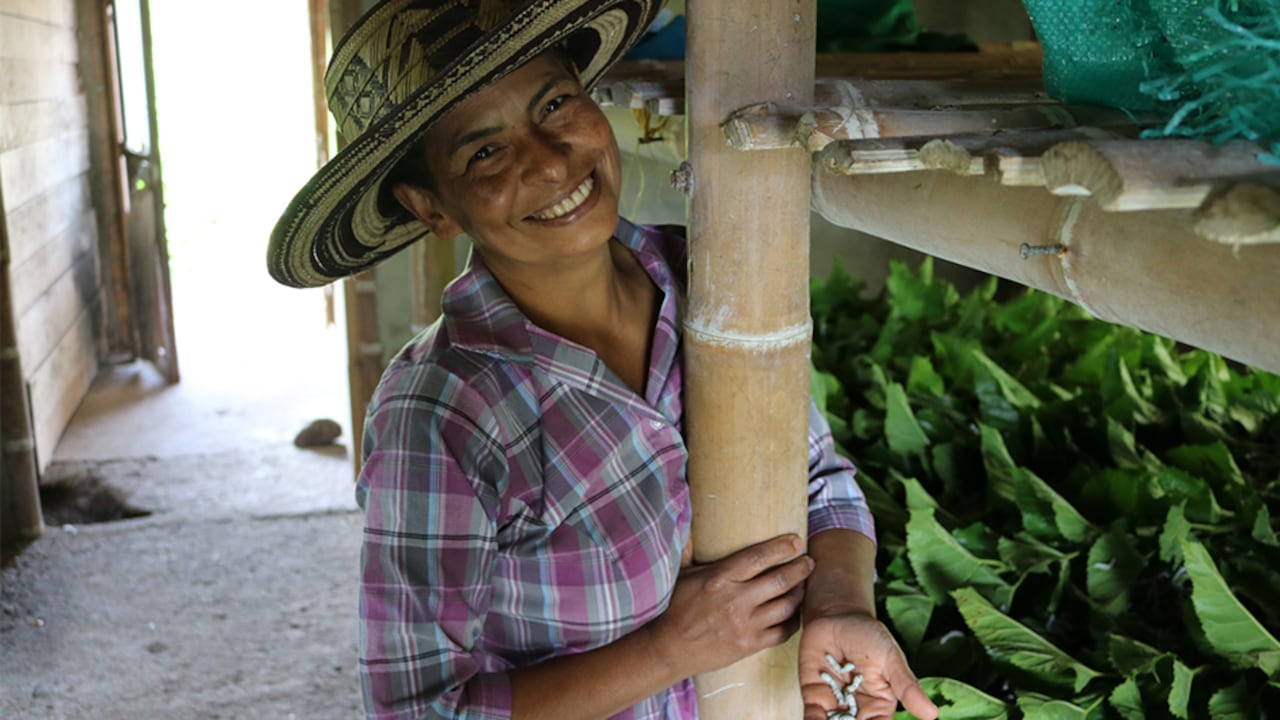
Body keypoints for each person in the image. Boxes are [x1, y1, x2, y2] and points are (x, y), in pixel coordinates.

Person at [268, 2, 940, 719]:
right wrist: (670, 649)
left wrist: (840, 604)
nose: (551, 160)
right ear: (429, 204)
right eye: (484, 152)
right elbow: (420, 710)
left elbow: (819, 482)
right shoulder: (440, 412)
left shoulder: (702, 277)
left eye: (554, 103)